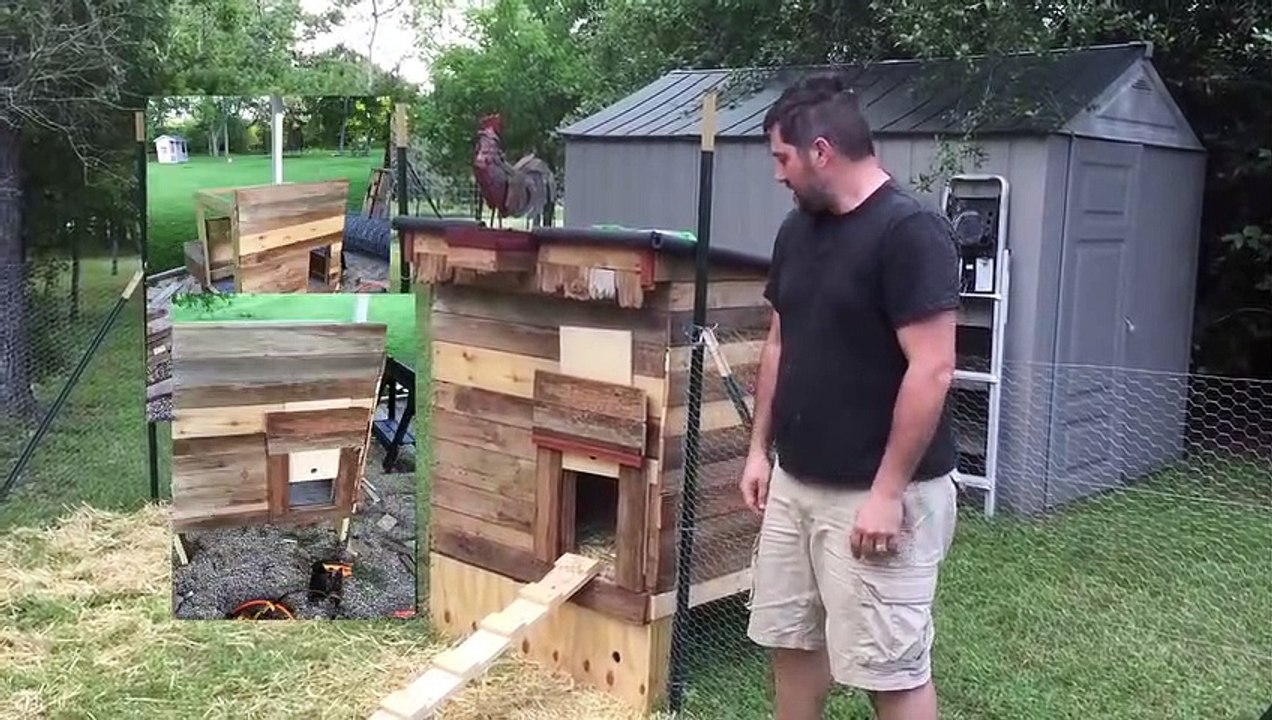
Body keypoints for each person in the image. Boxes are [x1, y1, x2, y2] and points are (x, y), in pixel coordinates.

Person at [740, 71, 962, 720]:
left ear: (821, 151)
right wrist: (760, 452)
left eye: (782, 158)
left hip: (876, 497)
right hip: (797, 485)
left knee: (889, 671)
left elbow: (933, 369)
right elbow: (782, 343)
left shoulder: (909, 231)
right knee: (792, 646)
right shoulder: (796, 232)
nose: (778, 174)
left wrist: (888, 493)